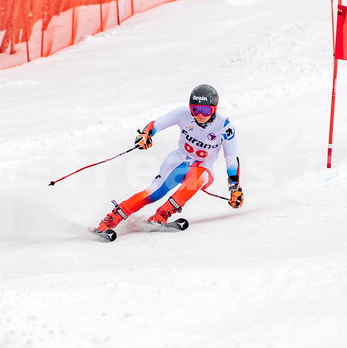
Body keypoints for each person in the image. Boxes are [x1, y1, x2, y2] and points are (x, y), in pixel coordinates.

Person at [93, 84, 243, 235]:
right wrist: (146, 135)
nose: (200, 115)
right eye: (195, 109)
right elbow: (156, 124)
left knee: (197, 177)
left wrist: (235, 188)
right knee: (153, 193)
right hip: (179, 161)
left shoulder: (224, 126)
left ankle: (161, 215)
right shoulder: (182, 114)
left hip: (204, 168)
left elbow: (230, 158)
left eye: (206, 110)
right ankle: (108, 222)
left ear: (215, 109)